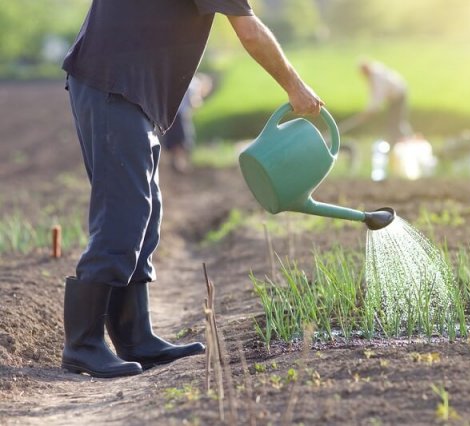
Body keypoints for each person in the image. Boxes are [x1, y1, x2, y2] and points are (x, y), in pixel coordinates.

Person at [61, 0, 324, 379]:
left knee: (145, 211)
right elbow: (249, 30)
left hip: (126, 89)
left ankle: (136, 336)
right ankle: (83, 344)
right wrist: (296, 88)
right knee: (124, 212)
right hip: (112, 84)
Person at [340, 59, 413, 145]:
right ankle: (400, 141)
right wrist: (368, 110)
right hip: (394, 97)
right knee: (394, 122)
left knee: (396, 122)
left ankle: (404, 141)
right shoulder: (373, 75)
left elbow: (378, 96)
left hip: (399, 96)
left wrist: (370, 110)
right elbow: (373, 95)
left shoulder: (378, 78)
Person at [161, 73, 213, 173]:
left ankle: (176, 163)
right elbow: (194, 102)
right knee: (182, 141)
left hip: (170, 114)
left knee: (175, 140)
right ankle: (179, 163)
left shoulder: (186, 78)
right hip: (180, 115)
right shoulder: (195, 84)